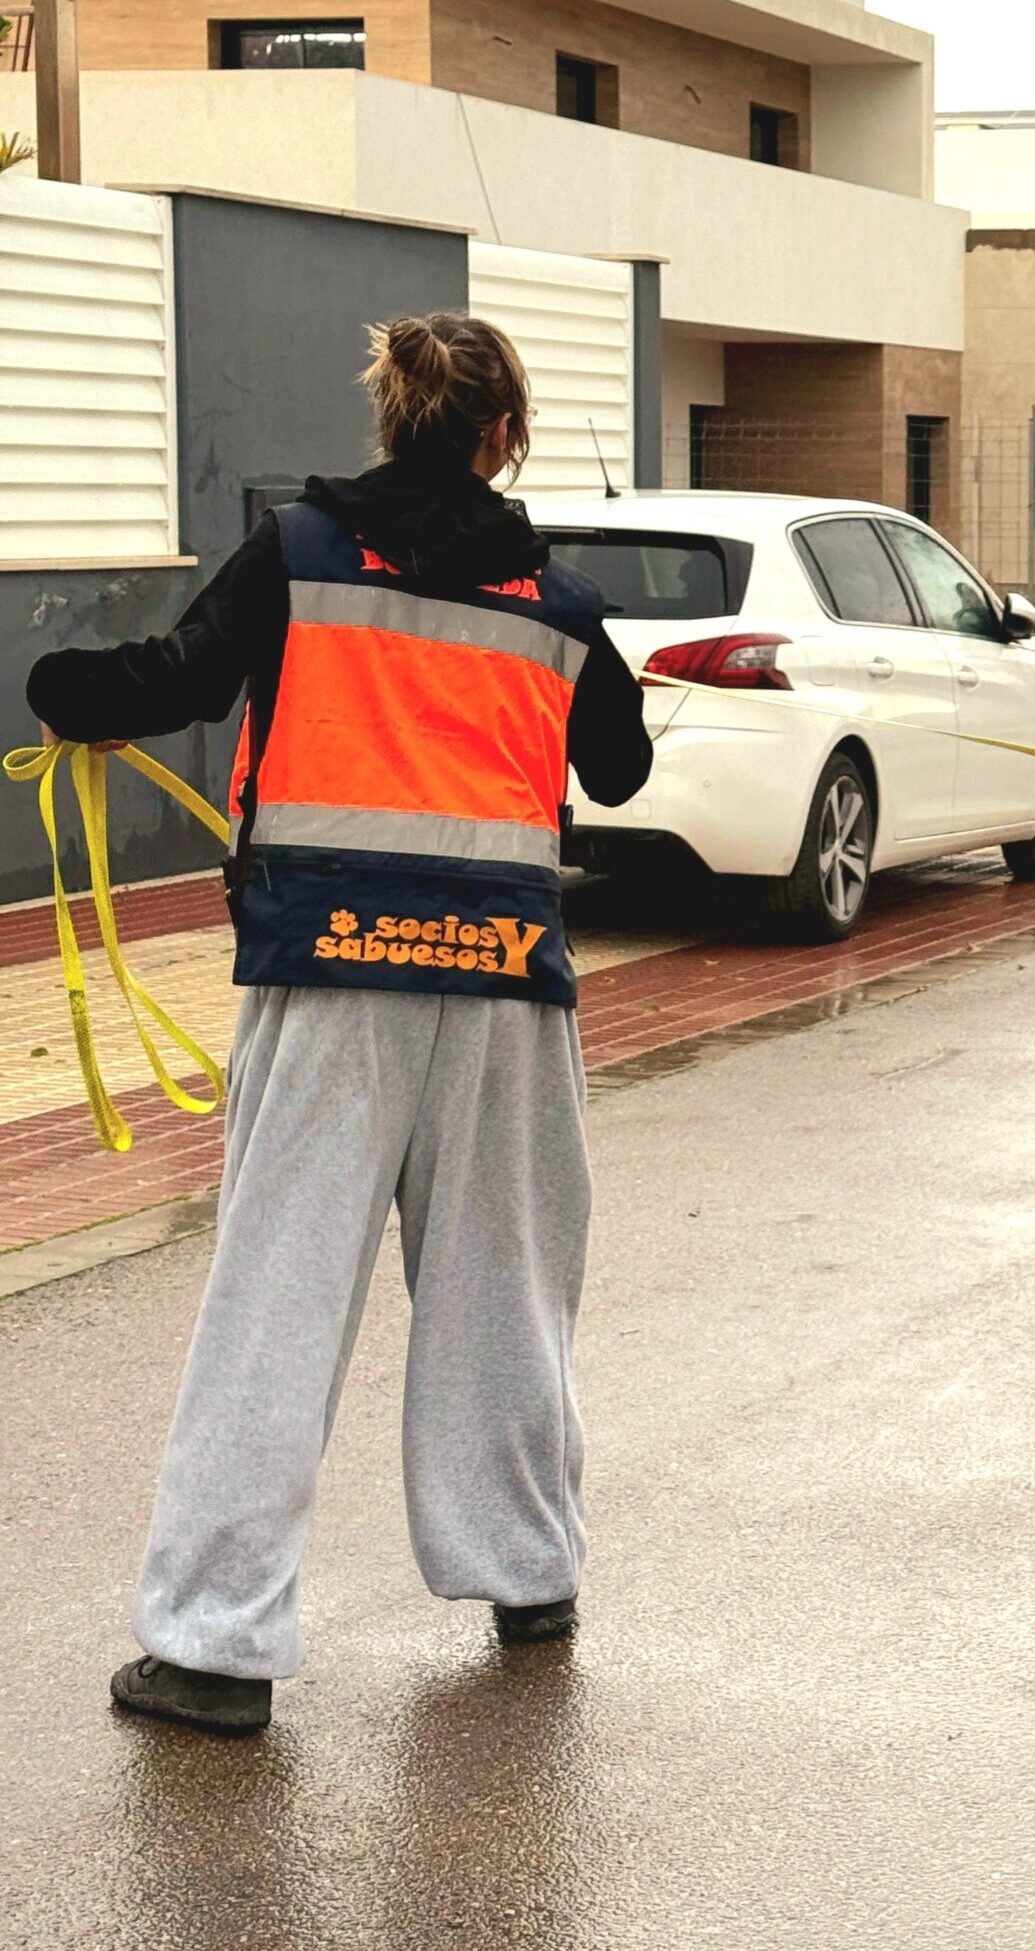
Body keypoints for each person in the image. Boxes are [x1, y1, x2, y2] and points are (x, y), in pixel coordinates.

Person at [25, 312, 653, 1734]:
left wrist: (60, 690)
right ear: (505, 434)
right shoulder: (553, 597)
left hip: (331, 975)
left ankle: (213, 1647)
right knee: (505, 1292)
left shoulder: (300, 556)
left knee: (276, 1299)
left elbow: (170, 682)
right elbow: (613, 768)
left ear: (396, 419)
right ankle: (529, 1572)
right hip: (501, 993)